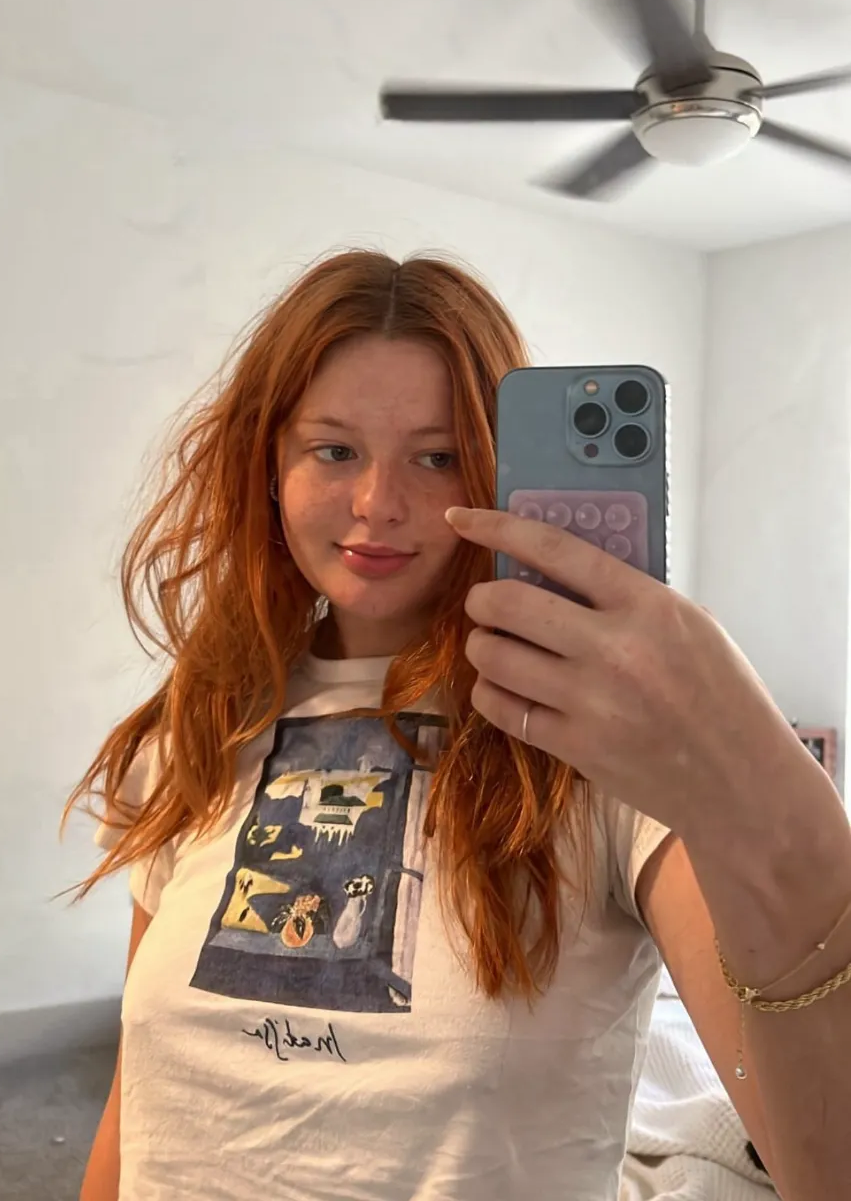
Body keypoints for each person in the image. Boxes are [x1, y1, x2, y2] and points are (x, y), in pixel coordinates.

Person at [69, 248, 851, 1201]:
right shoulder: (198, 726)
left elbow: (822, 1160)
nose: (377, 504)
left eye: (435, 456)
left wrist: (768, 788)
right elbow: (138, 1096)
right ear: (268, 466)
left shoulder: (593, 743)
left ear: (496, 469)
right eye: (334, 450)